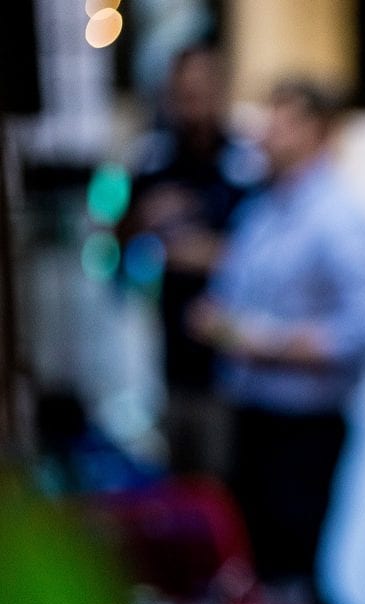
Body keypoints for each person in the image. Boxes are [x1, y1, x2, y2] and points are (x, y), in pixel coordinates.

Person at [190, 79, 365, 604]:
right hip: (250, 414)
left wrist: (261, 342)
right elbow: (235, 290)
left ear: (317, 131)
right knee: (249, 562)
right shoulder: (262, 208)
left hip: (305, 428)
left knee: (292, 573)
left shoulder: (339, 216)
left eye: (283, 121)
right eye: (268, 118)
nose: (267, 133)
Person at [119, 43, 266, 475]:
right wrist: (143, 221)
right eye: (184, 92)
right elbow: (117, 237)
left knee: (224, 475)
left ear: (220, 92)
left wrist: (216, 255)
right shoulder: (153, 159)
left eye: (201, 91)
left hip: (236, 359)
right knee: (177, 470)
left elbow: (272, 248)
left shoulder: (246, 164)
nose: (192, 102)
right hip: (169, 348)